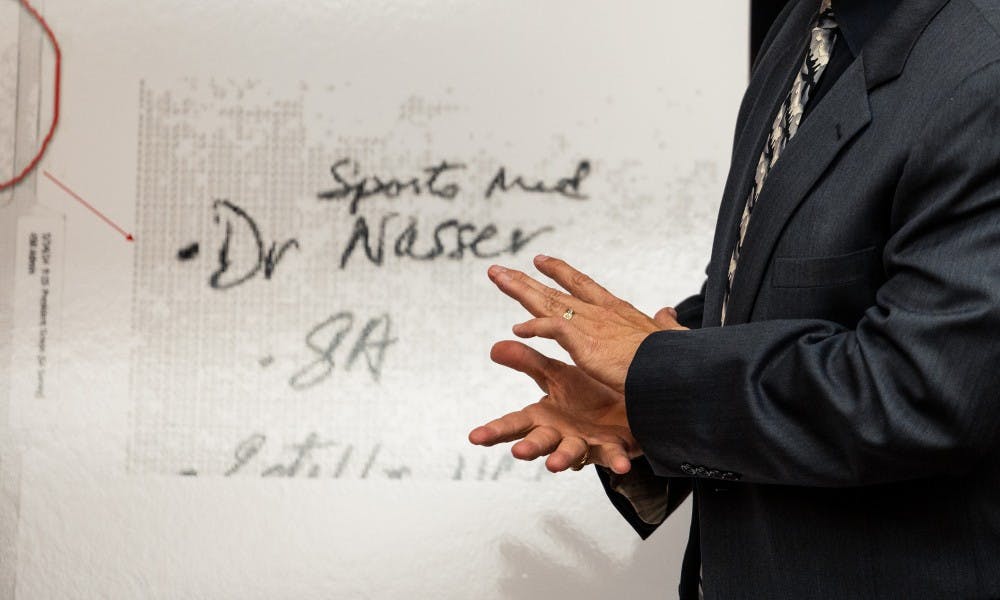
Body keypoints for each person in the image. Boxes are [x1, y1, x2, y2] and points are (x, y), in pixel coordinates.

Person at [467, 0, 1000, 597]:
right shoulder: (808, 20)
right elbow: (773, 291)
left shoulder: (983, 64)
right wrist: (638, 400)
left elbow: (923, 391)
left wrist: (659, 373)